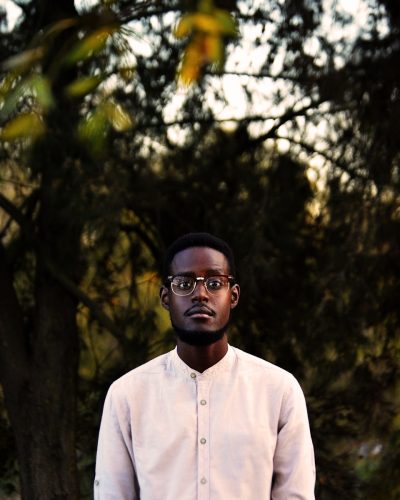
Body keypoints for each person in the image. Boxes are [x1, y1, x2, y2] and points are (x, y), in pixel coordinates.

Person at [94, 232, 316, 499]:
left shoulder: (279, 391)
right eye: (184, 283)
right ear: (166, 297)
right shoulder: (127, 396)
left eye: (214, 282)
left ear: (233, 296)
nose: (200, 294)